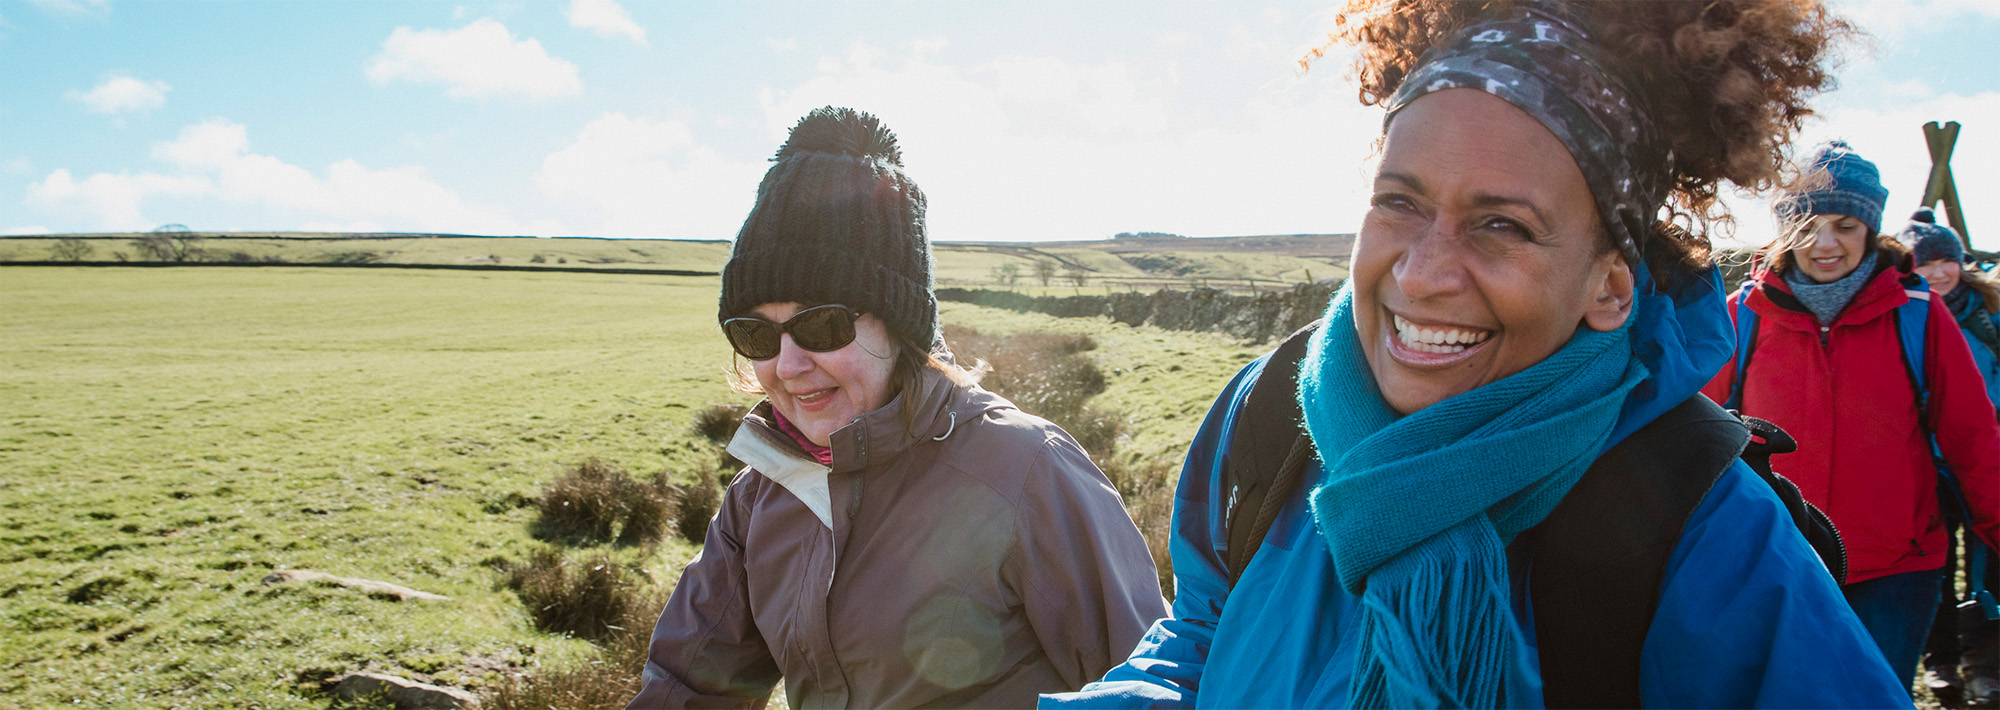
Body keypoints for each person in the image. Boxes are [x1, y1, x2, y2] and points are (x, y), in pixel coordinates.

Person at [1043, 2, 1912, 708]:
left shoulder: (1698, 523)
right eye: (1399, 203)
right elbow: (1202, 632)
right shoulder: (1271, 409)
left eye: (1503, 225)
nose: (1421, 276)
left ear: (1610, 287)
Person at [628, 106, 1168, 709]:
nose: (787, 365)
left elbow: (1145, 686)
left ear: (900, 326)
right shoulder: (762, 496)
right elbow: (689, 687)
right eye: (755, 335)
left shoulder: (1026, 470)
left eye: (821, 325)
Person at [1701, 143, 2000, 694]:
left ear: (1870, 229)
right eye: (1808, 224)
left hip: (1897, 567)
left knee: (1871, 698)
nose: (1825, 243)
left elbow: (1971, 435)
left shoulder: (1918, 314)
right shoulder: (1743, 316)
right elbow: (1693, 433)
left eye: (1844, 225)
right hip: (1778, 559)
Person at [1904, 207, 2000, 708]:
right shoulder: (1909, 319)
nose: (1939, 273)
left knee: (1989, 563)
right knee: (1935, 567)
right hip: (1927, 462)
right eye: (1927, 264)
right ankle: (1940, 661)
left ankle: (1985, 664)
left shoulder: (1989, 317)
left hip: (1984, 457)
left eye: (1948, 261)